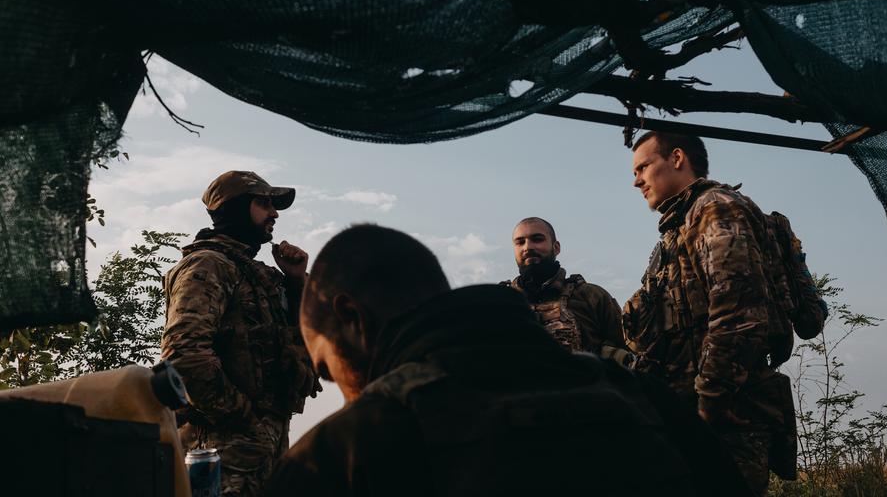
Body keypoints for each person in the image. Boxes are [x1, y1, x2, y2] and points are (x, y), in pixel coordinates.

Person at [265, 224, 752, 497]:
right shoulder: (645, 401)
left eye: (327, 368)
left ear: (352, 319)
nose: (343, 392)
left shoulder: (339, 454)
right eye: (520, 241)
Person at [625, 131, 798, 495]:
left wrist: (711, 401)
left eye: (643, 166)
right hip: (694, 413)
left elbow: (740, 311)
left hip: (727, 416)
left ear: (676, 158)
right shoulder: (681, 226)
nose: (637, 180)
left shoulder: (715, 208)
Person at [161, 170, 320, 497]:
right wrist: (246, 422)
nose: (274, 214)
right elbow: (185, 356)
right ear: (234, 208)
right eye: (264, 203)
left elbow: (301, 342)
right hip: (221, 453)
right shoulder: (208, 265)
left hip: (261, 453)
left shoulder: (257, 274)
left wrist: (295, 280)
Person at [504, 217, 631, 364]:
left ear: (556, 247)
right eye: (520, 242)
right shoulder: (499, 303)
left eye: (537, 239)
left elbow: (629, 355)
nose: (527, 247)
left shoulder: (592, 297)